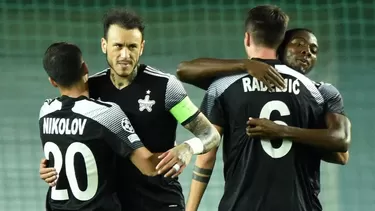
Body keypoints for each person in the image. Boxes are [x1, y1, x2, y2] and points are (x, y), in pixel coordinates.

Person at [39, 8, 221, 211]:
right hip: (115, 204)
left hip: (159, 202)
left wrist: (187, 148)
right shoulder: (91, 88)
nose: (125, 55)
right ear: (104, 45)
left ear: (141, 47)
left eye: (132, 46)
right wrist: (51, 166)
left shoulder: (166, 87)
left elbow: (210, 134)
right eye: (118, 46)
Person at [178, 24, 351, 211]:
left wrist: (282, 130)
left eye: (313, 50)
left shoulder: (320, 93)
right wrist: (246, 64)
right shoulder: (234, 85)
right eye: (299, 44)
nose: (306, 52)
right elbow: (186, 71)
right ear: (280, 47)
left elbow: (341, 152)